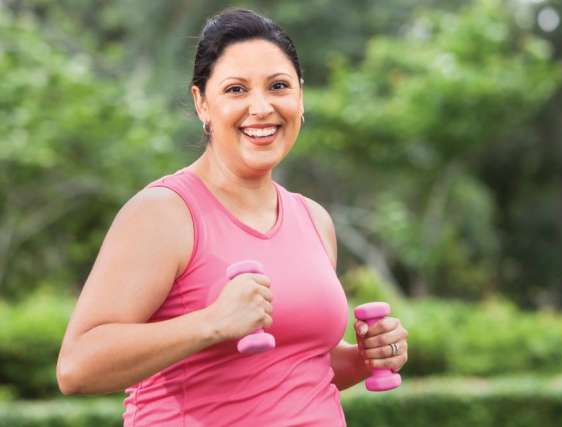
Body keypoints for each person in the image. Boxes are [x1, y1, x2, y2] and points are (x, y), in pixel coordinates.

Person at [56, 7, 409, 426]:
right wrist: (211, 323)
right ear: (201, 103)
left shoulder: (312, 218)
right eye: (236, 90)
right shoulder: (164, 213)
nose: (260, 108)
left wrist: (365, 358)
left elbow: (294, 370)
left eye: (278, 86)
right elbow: (77, 367)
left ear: (300, 95)